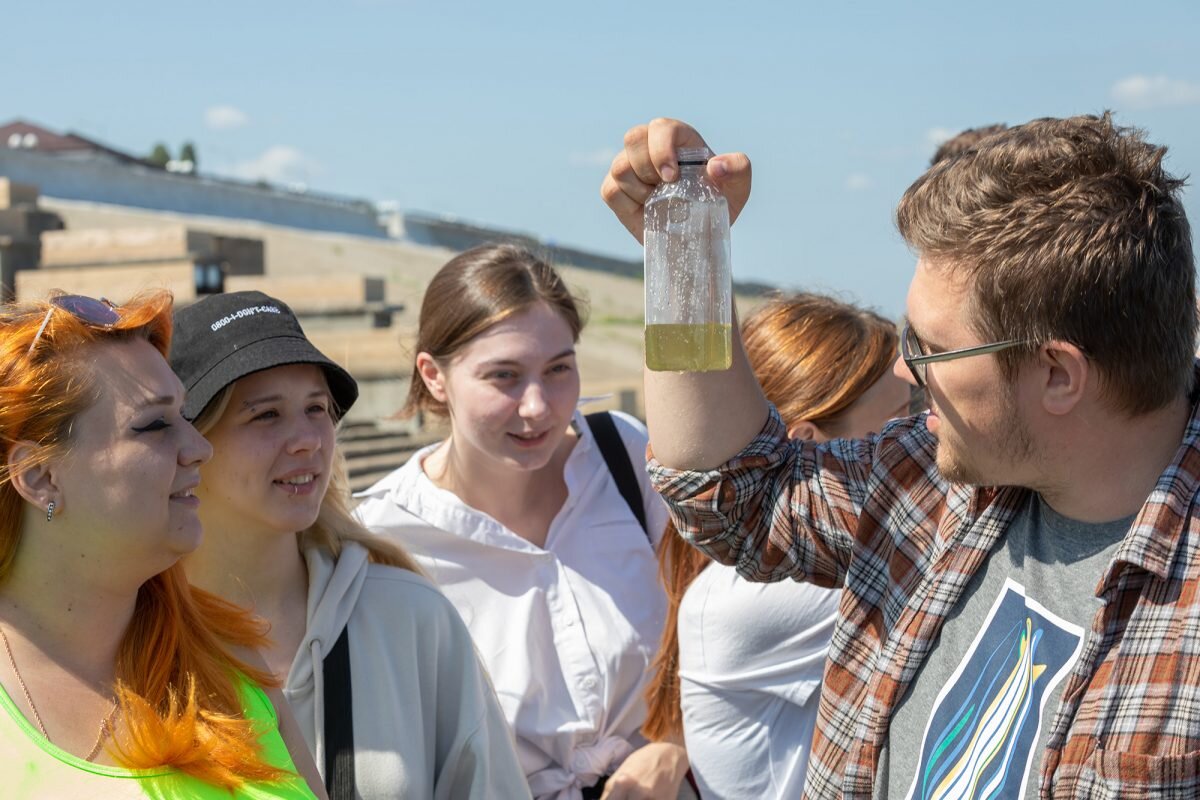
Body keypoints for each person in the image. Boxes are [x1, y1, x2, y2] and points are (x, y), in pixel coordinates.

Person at [601, 114, 1200, 799]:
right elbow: (734, 495)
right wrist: (685, 254)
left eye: (933, 349)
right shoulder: (927, 478)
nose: (910, 375)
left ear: (1058, 374)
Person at [354, 244, 693, 800]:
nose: (538, 406)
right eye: (504, 376)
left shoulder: (623, 456)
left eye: (559, 368)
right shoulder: (384, 535)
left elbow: (703, 633)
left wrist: (672, 747)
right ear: (434, 376)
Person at [170, 290, 530, 800]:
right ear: (190, 446)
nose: (308, 440)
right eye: (266, 415)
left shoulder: (411, 617)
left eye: (316, 408)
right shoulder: (132, 632)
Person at [0, 291, 325, 799]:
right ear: (40, 476)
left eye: (186, 418)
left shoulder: (231, 663)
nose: (199, 449)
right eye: (154, 425)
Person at [642, 293, 910, 799]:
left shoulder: (726, 586)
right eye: (896, 424)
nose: (914, 441)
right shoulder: (757, 600)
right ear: (811, 446)